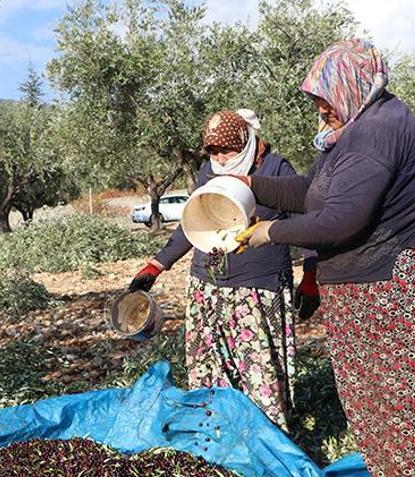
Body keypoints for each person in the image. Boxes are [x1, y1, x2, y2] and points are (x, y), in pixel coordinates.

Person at [234, 40, 415, 475]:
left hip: (400, 290)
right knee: (372, 410)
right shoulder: (354, 132)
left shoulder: (378, 130)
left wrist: (271, 232)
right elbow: (313, 194)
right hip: (368, 291)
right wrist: (251, 184)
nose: (322, 111)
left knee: (406, 416)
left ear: (351, 86)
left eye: (326, 101)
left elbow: (340, 219)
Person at [127, 109, 318, 430]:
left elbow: (309, 223)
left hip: (257, 290)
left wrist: (311, 277)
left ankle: (264, 436)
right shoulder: (207, 172)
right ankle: (217, 432)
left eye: (226, 150)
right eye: (212, 151)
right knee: (210, 366)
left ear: (245, 143)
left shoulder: (276, 168)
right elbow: (191, 222)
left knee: (258, 370)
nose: (220, 158)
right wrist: (157, 265)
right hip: (208, 289)